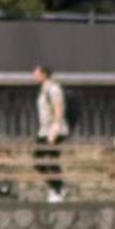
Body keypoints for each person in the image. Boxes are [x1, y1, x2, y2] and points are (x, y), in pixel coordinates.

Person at [33, 63, 68, 203]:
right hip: (44, 131)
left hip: (53, 130)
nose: (33, 76)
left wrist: (56, 127)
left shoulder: (53, 89)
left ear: (43, 74)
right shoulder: (43, 90)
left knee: (52, 159)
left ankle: (58, 190)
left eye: (36, 73)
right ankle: (57, 188)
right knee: (38, 161)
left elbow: (58, 108)